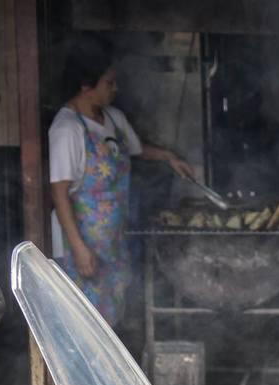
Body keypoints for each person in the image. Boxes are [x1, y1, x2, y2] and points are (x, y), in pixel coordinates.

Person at [49, 36, 194, 328]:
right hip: (83, 244)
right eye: (109, 83)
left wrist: (169, 157)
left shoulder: (113, 119)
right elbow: (59, 193)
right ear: (86, 86)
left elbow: (137, 150)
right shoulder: (67, 129)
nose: (115, 89)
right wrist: (79, 248)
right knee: (84, 322)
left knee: (111, 317)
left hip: (114, 240)